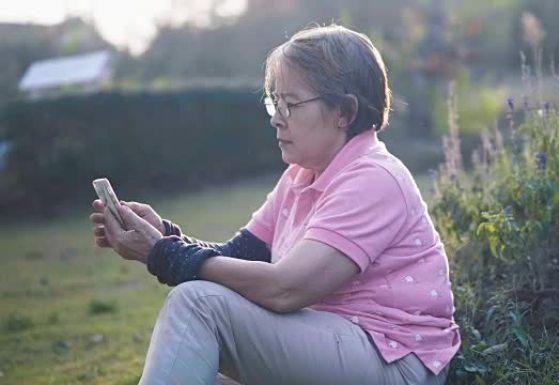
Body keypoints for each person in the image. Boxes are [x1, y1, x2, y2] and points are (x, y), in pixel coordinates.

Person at [90, 24, 460, 385]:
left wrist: (164, 254)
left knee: (197, 304)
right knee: (199, 366)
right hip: (339, 343)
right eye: (274, 101)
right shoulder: (303, 174)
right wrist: (166, 237)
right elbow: (241, 256)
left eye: (291, 104)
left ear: (344, 112)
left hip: (393, 358)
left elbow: (285, 289)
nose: (275, 118)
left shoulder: (374, 178)